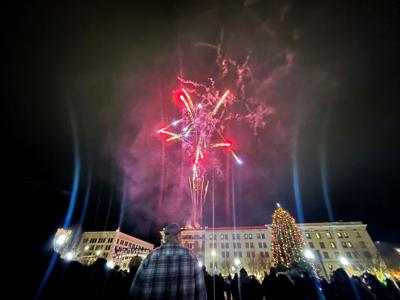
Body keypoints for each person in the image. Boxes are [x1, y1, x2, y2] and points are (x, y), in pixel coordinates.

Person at [129, 223, 207, 300]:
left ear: (165, 237)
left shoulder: (150, 257)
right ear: (179, 236)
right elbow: (201, 294)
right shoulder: (191, 257)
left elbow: (134, 292)